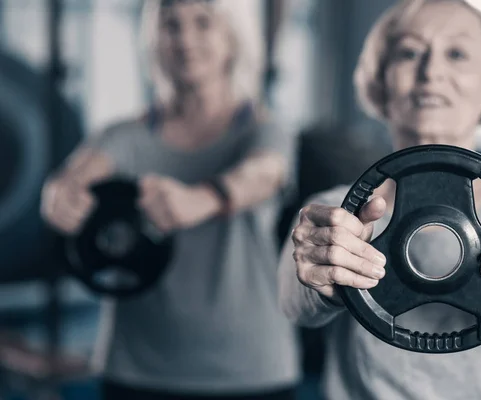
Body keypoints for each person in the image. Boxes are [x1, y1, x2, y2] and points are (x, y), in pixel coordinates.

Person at [278, 0, 481, 399]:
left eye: (457, 54)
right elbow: (294, 303)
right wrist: (320, 273)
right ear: (379, 81)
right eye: (410, 52)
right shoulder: (338, 209)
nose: (431, 72)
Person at [40, 0, 301, 399]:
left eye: (202, 24)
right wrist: (58, 193)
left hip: (251, 370)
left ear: (231, 37)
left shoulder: (263, 129)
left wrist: (205, 197)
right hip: (136, 369)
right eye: (171, 26)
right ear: (154, 41)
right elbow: (78, 173)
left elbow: (264, 173)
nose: (185, 40)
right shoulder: (124, 135)